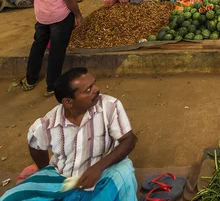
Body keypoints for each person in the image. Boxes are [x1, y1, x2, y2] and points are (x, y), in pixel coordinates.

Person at [1, 68, 137, 201]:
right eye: (88, 90)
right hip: (63, 177)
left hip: (105, 172)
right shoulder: (48, 124)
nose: (96, 89)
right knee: (11, 197)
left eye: (94, 83)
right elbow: (35, 145)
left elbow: (129, 140)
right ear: (68, 102)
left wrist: (98, 167)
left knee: (123, 174)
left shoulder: (110, 106)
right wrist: (45, 169)